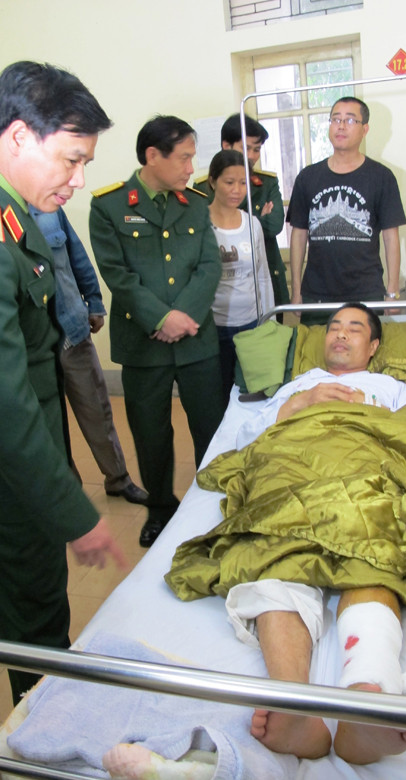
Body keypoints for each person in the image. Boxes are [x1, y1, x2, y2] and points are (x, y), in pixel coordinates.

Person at [166, 303, 406, 764]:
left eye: (354, 329)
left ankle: (368, 692)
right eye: (334, 327)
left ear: (374, 346)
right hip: (290, 468)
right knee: (274, 550)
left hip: (363, 465)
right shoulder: (298, 385)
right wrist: (297, 405)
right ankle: (293, 701)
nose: (340, 335)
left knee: (375, 551)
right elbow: (245, 441)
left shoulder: (391, 388)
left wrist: (371, 413)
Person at [0, 60, 125, 706]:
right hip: (15, 480)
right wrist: (73, 514)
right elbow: (8, 403)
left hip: (30, 465)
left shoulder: (17, 220)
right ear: (20, 136)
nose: (79, 180)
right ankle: (42, 733)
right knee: (36, 618)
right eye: (72, 160)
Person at [89, 115, 224, 548]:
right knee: (150, 434)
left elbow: (209, 266)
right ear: (152, 155)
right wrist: (161, 318)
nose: (190, 167)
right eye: (183, 158)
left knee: (210, 428)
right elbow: (117, 274)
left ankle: (212, 508)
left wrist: (183, 315)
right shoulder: (109, 206)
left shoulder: (197, 202)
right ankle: (161, 509)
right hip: (143, 344)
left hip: (197, 340)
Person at [29, 206, 149, 506]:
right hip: (32, 343)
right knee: (49, 422)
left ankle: (118, 479)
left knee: (97, 410)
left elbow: (76, 255)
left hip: (71, 329)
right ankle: (69, 492)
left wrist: (93, 302)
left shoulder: (48, 208)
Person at [287, 96, 406, 325]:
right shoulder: (308, 177)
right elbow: (299, 234)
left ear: (365, 129)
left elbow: (391, 236)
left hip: (365, 293)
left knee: (364, 347)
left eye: (350, 120)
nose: (341, 126)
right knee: (316, 348)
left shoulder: (381, 177)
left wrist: (392, 290)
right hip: (317, 294)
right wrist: (296, 290)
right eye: (336, 119)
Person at [194, 114, 288, 316]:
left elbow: (274, 225)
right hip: (219, 292)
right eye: (246, 148)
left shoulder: (267, 183)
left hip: (265, 279)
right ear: (226, 146)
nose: (252, 156)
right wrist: (255, 220)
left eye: (257, 149)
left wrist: (252, 223)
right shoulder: (202, 187)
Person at [208, 149, 274, 408]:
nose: (237, 190)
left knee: (252, 397)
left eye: (243, 183)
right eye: (229, 182)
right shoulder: (200, 224)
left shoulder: (252, 224)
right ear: (212, 181)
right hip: (215, 327)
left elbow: (262, 275)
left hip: (251, 324)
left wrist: (268, 321)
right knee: (219, 397)